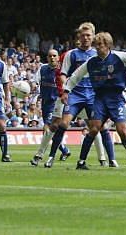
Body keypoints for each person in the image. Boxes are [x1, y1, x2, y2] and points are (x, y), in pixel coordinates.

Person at [61, 32, 126, 170]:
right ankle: (81, 161)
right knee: (93, 129)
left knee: (122, 130)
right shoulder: (91, 62)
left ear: (108, 45)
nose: (98, 48)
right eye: (96, 45)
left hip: (116, 98)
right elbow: (75, 76)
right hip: (99, 98)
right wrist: (66, 91)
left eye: (101, 45)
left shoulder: (119, 56)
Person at [35, 22, 111, 168]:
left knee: (95, 126)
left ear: (93, 36)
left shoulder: (98, 54)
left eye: (88, 35)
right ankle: (43, 155)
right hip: (71, 95)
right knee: (58, 124)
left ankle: (103, 158)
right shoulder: (69, 54)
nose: (85, 38)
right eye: (83, 35)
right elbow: (62, 74)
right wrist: (65, 90)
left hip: (90, 96)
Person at [29, 49, 71, 166]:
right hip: (46, 103)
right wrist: (33, 86)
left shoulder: (62, 71)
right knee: (51, 130)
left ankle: (39, 155)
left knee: (48, 128)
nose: (52, 58)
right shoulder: (42, 69)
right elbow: (35, 82)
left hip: (56, 103)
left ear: (58, 58)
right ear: (47, 58)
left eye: (54, 56)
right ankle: (64, 150)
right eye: (50, 56)